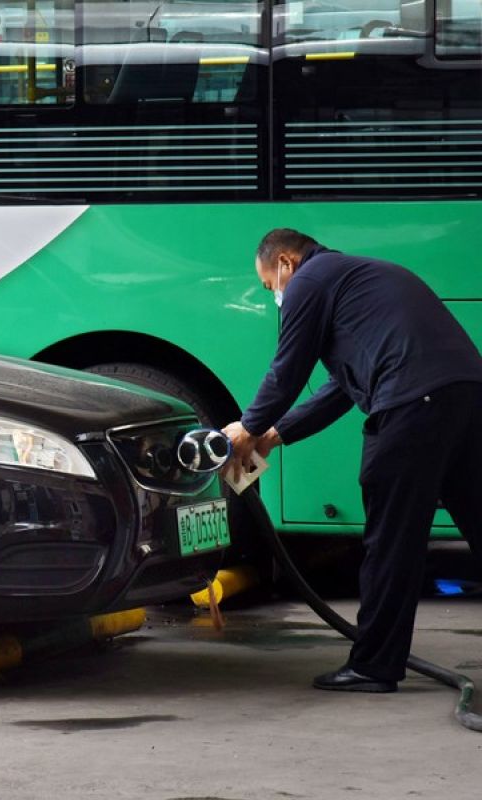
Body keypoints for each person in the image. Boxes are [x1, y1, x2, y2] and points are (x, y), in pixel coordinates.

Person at [223, 228, 482, 693]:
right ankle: (376, 660)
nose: (274, 297)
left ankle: (374, 666)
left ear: (285, 262)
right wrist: (276, 435)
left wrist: (248, 426)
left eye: (269, 287)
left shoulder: (309, 281)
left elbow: (287, 369)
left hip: (412, 404)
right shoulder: (359, 277)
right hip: (466, 396)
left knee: (391, 540)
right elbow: (342, 389)